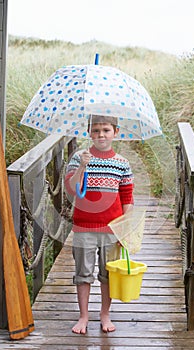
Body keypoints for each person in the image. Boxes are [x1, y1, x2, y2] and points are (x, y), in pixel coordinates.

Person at [65, 115, 134, 334]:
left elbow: (127, 198)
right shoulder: (78, 157)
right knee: (83, 273)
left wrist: (125, 229)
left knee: (107, 274)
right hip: (84, 226)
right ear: (89, 133)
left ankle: (105, 314)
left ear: (116, 132)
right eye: (95, 130)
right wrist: (82, 167)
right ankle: (84, 316)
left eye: (105, 130)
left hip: (112, 227)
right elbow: (72, 189)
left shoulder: (122, 162)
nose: (101, 135)